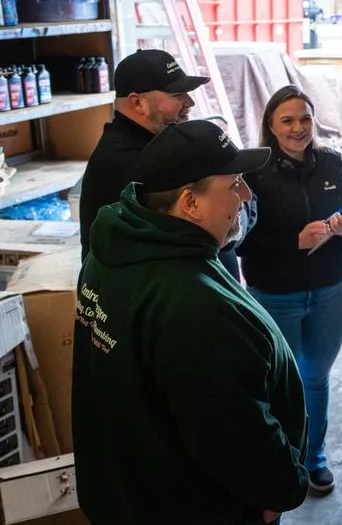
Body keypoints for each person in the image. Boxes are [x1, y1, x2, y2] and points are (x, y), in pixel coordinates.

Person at [72, 120, 308, 525]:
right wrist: (282, 488)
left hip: (129, 491)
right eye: (234, 183)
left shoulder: (115, 249)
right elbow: (233, 434)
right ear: (190, 203)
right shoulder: (192, 303)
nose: (246, 194)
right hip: (195, 507)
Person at [237, 85, 342, 495]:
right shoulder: (252, 171)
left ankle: (314, 458)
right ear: (270, 126)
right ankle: (282, 458)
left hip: (331, 290)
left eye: (305, 119)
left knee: (316, 378)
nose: (298, 128)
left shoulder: (330, 161)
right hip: (276, 294)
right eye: (287, 121)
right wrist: (295, 242)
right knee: (280, 384)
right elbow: (237, 240)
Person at [78, 48, 253, 280]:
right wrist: (239, 223)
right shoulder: (133, 162)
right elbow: (213, 234)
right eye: (177, 94)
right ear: (138, 103)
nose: (189, 102)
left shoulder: (160, 145)